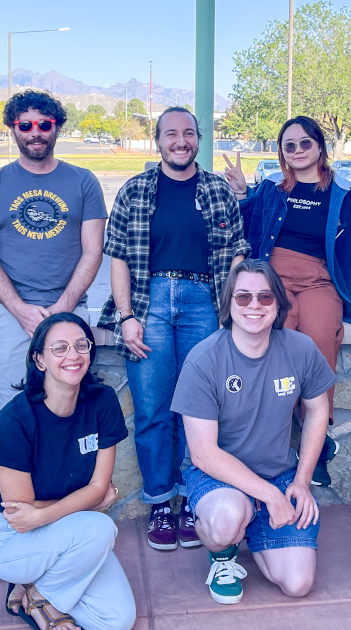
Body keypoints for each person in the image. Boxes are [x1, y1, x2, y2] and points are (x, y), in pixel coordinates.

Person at [102, 106, 249, 552]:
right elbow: (119, 258)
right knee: (152, 410)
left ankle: (192, 498)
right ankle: (160, 503)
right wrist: (127, 316)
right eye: (171, 134)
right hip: (149, 307)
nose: (180, 141)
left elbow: (238, 252)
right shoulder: (135, 190)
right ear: (158, 140)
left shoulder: (218, 192)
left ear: (198, 140)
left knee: (200, 411)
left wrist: (229, 312)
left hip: (203, 304)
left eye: (188, 133)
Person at [172, 259, 335, 605]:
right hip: (217, 479)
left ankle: (254, 527)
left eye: (265, 297)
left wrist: (301, 481)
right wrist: (272, 497)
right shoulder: (203, 361)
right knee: (226, 519)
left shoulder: (300, 349)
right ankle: (223, 552)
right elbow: (203, 453)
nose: (254, 306)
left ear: (278, 305)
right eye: (243, 297)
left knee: (298, 583)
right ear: (229, 305)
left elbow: (319, 409)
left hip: (278, 473)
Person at [223, 115, 351, 487]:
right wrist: (240, 193)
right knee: (277, 343)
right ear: (281, 152)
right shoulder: (271, 188)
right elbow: (244, 224)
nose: (297, 151)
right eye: (289, 145)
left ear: (320, 147)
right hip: (275, 278)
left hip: (320, 280)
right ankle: (272, 438)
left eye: (304, 144)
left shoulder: (343, 194)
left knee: (320, 342)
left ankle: (317, 441)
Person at [0, 312, 135, 630]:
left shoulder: (102, 401)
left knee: (117, 621)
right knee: (100, 529)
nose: (74, 355)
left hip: (69, 530)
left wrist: (45, 514)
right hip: (12, 541)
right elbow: (22, 515)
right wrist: (90, 502)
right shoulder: (15, 419)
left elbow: (99, 487)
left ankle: (36, 590)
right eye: (60, 348)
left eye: (82, 345)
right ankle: (39, 594)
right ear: (39, 359)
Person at [0, 89, 107, 414]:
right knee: (14, 415)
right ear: (13, 128)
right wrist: (20, 310)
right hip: (8, 314)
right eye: (25, 125)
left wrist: (61, 310)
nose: (35, 133)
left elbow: (93, 252)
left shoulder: (84, 182)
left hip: (70, 311)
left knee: (66, 414)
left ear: (57, 127)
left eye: (44, 124)